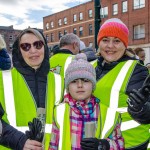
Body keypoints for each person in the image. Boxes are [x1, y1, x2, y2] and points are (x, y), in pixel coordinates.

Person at [89, 18, 149, 150]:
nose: (110, 46)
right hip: (99, 143)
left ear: (124, 45)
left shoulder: (137, 70)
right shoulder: (90, 67)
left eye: (116, 41)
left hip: (131, 144)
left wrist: (141, 109)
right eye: (105, 40)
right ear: (99, 43)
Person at [0, 28, 64, 149]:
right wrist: (19, 140)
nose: (33, 50)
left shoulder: (59, 81)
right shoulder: (2, 79)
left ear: (44, 47)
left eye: (38, 44)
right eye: (26, 46)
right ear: (19, 51)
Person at [49, 53, 124, 150]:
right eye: (74, 81)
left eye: (85, 80)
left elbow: (120, 144)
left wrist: (103, 145)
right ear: (68, 87)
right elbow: (53, 145)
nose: (80, 85)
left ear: (93, 85)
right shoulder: (58, 112)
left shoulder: (108, 114)